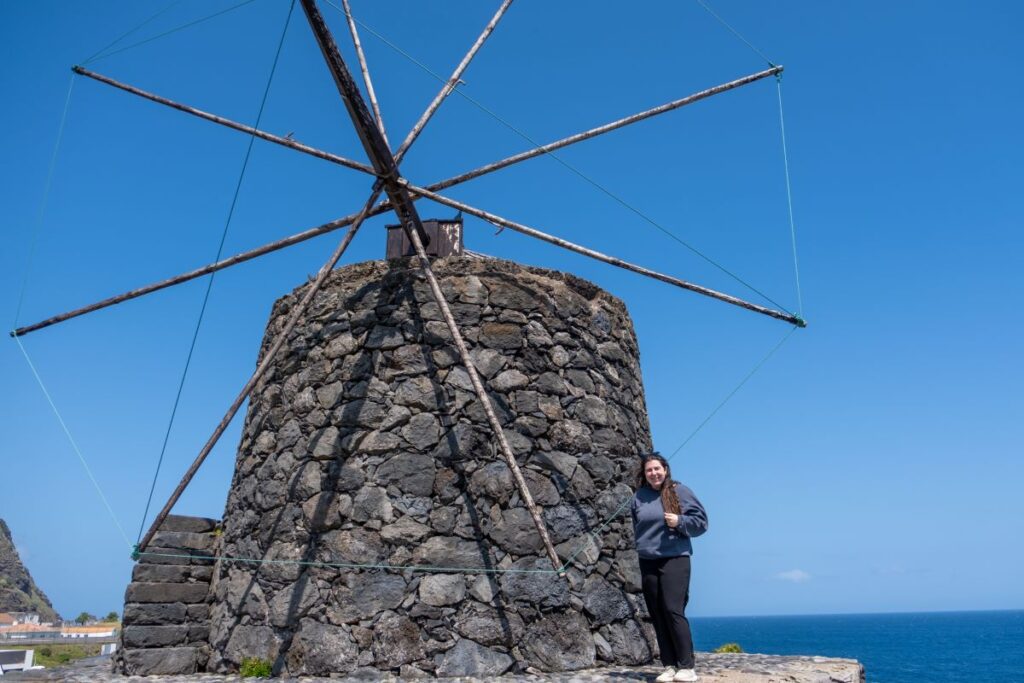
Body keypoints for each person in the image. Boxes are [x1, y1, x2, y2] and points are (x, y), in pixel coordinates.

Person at [631, 452, 708, 683]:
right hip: (648, 560)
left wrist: (680, 521)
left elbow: (701, 523)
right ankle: (669, 665)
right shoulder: (639, 497)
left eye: (657, 469)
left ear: (665, 469)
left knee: (673, 609)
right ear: (644, 474)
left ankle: (687, 666)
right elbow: (637, 526)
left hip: (675, 558)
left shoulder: (678, 491)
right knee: (657, 612)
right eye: (649, 470)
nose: (654, 473)